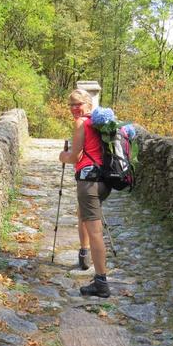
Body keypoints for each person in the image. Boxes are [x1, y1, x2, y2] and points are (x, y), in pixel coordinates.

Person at [59, 89, 111, 298]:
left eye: (78, 104)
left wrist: (62, 156)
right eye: (71, 104)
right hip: (104, 181)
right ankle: (83, 253)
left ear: (89, 105)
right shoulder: (100, 124)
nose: (74, 108)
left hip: (88, 182)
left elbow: (75, 157)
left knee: (96, 232)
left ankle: (101, 282)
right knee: (83, 215)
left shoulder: (82, 123)